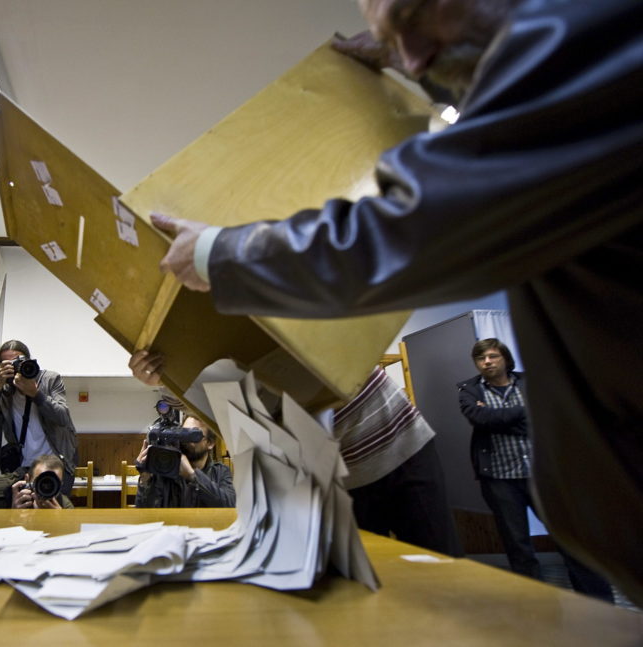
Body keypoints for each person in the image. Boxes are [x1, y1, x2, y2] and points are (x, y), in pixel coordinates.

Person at [149, 0, 643, 605]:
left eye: (412, 18)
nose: (408, 55)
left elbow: (413, 227)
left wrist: (221, 254)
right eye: (394, 40)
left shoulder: (581, 47)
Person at [130, 350, 461, 555]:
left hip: (394, 439)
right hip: (340, 478)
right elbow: (192, 399)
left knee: (439, 569)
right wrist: (158, 377)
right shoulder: (209, 362)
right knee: (363, 592)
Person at [459, 339, 613, 601]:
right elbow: (480, 418)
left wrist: (502, 418)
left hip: (545, 477)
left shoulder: (531, 382)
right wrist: (523, 413)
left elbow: (550, 413)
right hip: (500, 479)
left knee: (570, 539)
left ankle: (598, 602)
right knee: (518, 546)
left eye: (492, 356)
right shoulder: (469, 390)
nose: (486, 362)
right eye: (480, 358)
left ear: (505, 359)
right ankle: (536, 606)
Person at [0, 340, 78, 494]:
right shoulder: (4, 391)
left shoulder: (50, 379)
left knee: (54, 513)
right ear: (0, 367)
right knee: (19, 512)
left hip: (57, 465)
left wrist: (36, 394)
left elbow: (62, 417)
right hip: (24, 467)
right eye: (8, 364)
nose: (15, 366)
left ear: (28, 361)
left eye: (18, 361)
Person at [134, 411, 235, 508]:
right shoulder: (167, 472)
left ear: (210, 443)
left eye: (193, 435)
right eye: (183, 433)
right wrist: (145, 479)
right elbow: (146, 514)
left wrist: (193, 477)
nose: (185, 440)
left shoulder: (220, 472)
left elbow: (230, 506)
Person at [0, 454, 74, 509]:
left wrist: (59, 520)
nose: (45, 487)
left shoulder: (62, 504)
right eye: (40, 482)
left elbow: (72, 540)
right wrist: (13, 516)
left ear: (59, 486)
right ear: (27, 479)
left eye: (52, 483)